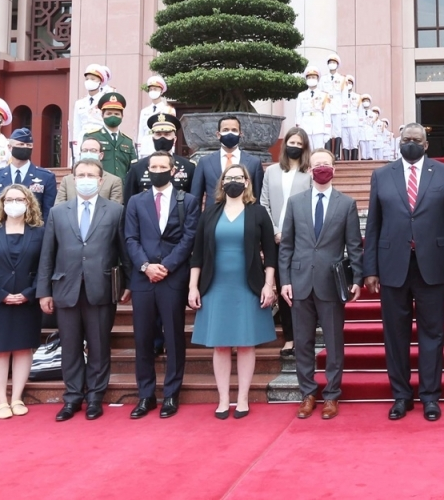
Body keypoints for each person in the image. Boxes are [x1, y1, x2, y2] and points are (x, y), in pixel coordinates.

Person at [363, 123, 444, 422]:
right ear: (399, 142)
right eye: (406, 139)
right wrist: (370, 268)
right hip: (392, 266)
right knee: (395, 336)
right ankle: (401, 396)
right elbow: (373, 225)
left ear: (426, 144)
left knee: (432, 334)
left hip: (432, 266)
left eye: (416, 139)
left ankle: (430, 396)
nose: (410, 143)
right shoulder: (382, 175)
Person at [37, 158, 130, 422]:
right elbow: (47, 254)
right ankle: (73, 397)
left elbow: (124, 251)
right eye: (81, 175)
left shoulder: (115, 210)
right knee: (70, 346)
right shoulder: (58, 212)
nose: (86, 179)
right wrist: (44, 291)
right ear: (72, 179)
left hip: (101, 288)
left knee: (99, 346)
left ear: (101, 181)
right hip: (65, 287)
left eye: (91, 175)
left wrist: (128, 284)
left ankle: (95, 398)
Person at [279, 149, 364, 420]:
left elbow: (354, 246)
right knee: (302, 342)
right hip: (300, 281)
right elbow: (287, 247)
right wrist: (285, 281)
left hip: (331, 282)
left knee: (334, 342)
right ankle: (308, 393)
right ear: (310, 169)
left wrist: (358, 279)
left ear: (334, 169)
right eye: (317, 165)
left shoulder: (346, 204)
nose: (322, 168)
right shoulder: (295, 202)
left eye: (327, 164)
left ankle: (332, 395)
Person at [189, 163, 278, 419]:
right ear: (222, 183)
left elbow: (270, 254)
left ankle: (242, 399)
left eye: (239, 177)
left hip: (248, 284)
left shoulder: (258, 212)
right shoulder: (210, 213)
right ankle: (223, 399)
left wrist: (268, 284)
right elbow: (198, 254)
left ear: (247, 183)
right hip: (215, 285)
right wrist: (193, 286)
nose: (234, 181)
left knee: (247, 344)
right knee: (220, 345)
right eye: (230, 178)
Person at [124, 151, 201, 419]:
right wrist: (146, 267)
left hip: (173, 277)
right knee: (143, 337)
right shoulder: (135, 201)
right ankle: (146, 395)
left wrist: (166, 266)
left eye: (162, 166)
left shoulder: (188, 201)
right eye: (153, 166)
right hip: (143, 278)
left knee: (173, 336)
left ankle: (171, 394)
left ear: (172, 170)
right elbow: (130, 238)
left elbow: (189, 238)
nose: (157, 170)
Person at [0, 184, 45, 420]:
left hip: (27, 300)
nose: (14, 203)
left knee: (23, 348)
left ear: (29, 203)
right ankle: (1, 400)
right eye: (9, 199)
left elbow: (44, 268)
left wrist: (28, 293)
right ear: (2, 203)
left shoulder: (39, 232)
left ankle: (17, 397)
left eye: (20, 199)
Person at [260, 126, 313, 358]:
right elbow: (264, 203)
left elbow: (312, 208)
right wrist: (274, 231)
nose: (295, 147)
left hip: (301, 241)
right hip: (276, 240)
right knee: (283, 289)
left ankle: (306, 336)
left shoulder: (309, 174)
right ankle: (289, 338)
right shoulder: (271, 172)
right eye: (291, 142)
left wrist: (291, 234)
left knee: (301, 290)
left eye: (299, 144)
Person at [191, 114, 265, 209]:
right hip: (212, 217)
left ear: (240, 134)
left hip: (244, 216)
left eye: (234, 130)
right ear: (218, 134)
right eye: (225, 130)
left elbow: (257, 197)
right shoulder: (205, 162)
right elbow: (196, 197)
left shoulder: (254, 162)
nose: (230, 133)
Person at [0, 128, 56, 221]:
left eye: (29, 145)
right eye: (21, 144)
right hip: (2, 231)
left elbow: (48, 213)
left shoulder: (46, 177)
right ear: (10, 147)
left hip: (34, 230)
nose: (25, 147)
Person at [123, 113, 196, 202]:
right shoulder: (137, 167)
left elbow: (193, 201)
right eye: (158, 134)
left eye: (167, 134)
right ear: (153, 138)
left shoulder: (188, 167)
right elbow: (129, 201)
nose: (162, 138)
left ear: (175, 139)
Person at [54, 137, 124, 205]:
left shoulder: (114, 181)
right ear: (80, 154)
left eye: (93, 150)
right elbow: (58, 208)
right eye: (84, 150)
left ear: (101, 155)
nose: (88, 153)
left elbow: (115, 211)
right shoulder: (67, 180)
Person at [84, 92, 138, 181]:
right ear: (102, 115)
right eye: (109, 113)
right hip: (100, 186)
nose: (113, 116)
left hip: (122, 188)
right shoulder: (92, 137)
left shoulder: (127, 141)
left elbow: (133, 167)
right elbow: (86, 164)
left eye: (116, 114)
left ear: (122, 116)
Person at [71, 63, 109, 163]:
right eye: (87, 79)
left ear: (100, 81)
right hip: (83, 139)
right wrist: (75, 149)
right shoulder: (79, 103)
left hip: (100, 138)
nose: (89, 81)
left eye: (93, 79)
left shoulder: (105, 100)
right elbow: (77, 127)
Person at [136, 75, 176, 159]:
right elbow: (141, 132)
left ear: (161, 91)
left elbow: (172, 133)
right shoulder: (144, 111)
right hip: (146, 148)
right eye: (150, 89)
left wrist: (172, 149)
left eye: (155, 89)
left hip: (163, 147)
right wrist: (139, 149)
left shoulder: (169, 110)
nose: (152, 91)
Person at [297, 67, 331, 151]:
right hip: (305, 126)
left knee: (319, 151)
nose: (311, 79)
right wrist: (299, 129)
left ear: (318, 79)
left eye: (313, 77)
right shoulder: (301, 95)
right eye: (309, 78)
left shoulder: (324, 95)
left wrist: (327, 132)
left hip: (319, 127)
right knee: (306, 151)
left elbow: (327, 114)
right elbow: (298, 113)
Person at [318, 53, 346, 154]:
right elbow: (320, 93)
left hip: (337, 106)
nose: (332, 64)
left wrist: (344, 110)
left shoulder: (342, 79)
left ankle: (337, 153)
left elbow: (344, 95)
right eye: (330, 62)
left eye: (334, 62)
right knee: (327, 128)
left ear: (337, 65)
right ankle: (328, 152)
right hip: (326, 106)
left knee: (338, 130)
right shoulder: (323, 79)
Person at [335, 75, 359, 160]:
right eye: (347, 83)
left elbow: (360, 112)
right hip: (343, 122)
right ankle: (345, 160)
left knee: (354, 143)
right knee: (345, 143)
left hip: (354, 122)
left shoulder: (358, 97)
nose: (348, 84)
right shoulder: (340, 96)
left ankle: (354, 160)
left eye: (350, 83)